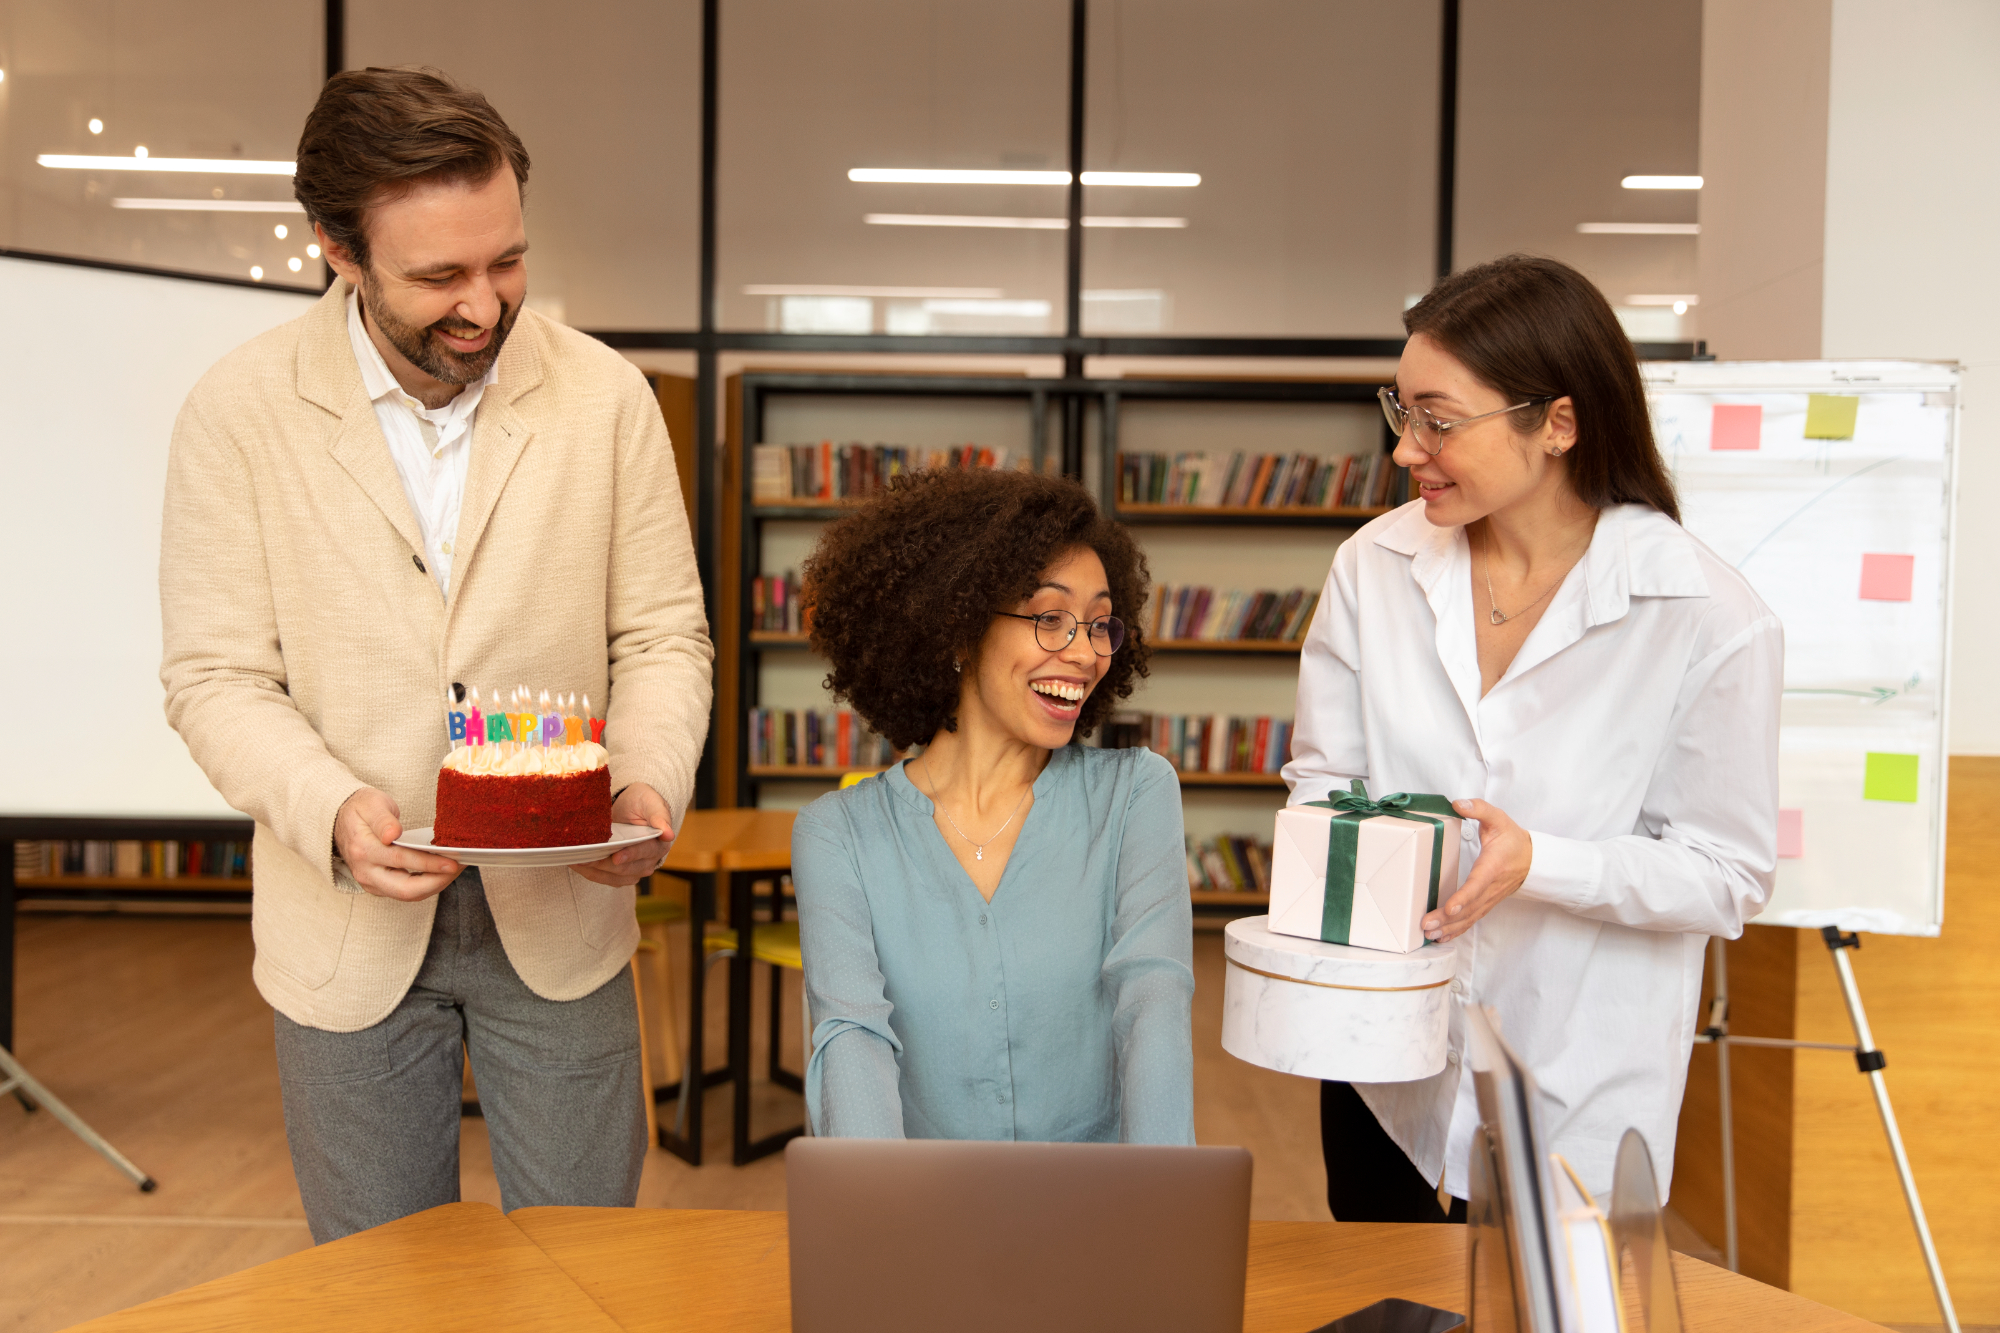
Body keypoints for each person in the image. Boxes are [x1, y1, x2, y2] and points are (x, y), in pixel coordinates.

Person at [158, 67, 712, 1242]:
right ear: (335, 249)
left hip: (563, 915)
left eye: (505, 260)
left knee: (588, 1276)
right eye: (438, 276)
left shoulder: (606, 398)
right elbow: (215, 676)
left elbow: (661, 635)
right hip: (342, 923)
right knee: (375, 1285)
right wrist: (330, 807)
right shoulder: (236, 410)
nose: (484, 304)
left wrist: (649, 778)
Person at [1283, 254, 1781, 1219]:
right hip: (1383, 1076)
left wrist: (1539, 862)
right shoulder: (1373, 567)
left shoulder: (1705, 614)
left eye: (1440, 420)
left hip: (1576, 1098)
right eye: (1403, 411)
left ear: (1558, 422)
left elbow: (1726, 873)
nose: (1405, 450)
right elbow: (1323, 779)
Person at [790, 468, 1195, 1144]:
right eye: (1050, 618)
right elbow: (851, 1041)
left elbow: (1154, 1004)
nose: (1086, 652)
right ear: (958, 629)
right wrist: (876, 1230)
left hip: (1096, 1219)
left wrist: (1168, 1214)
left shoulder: (1137, 794)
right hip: (919, 1224)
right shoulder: (837, 834)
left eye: (1099, 625)